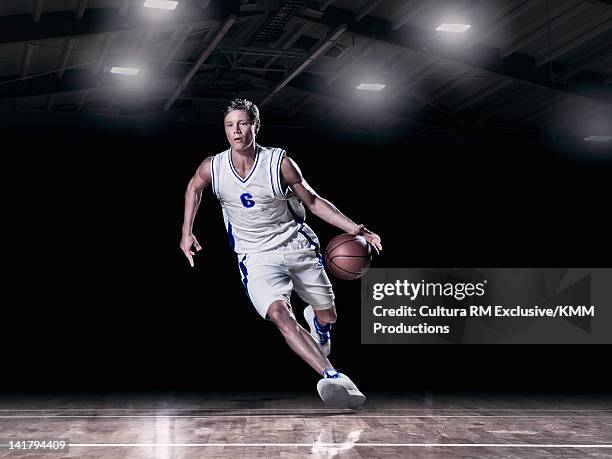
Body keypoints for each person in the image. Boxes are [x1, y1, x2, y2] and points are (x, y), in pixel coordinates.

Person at [180, 98, 382, 408]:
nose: (236, 131)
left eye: (243, 124)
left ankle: (320, 323)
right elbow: (194, 187)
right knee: (279, 314)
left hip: (296, 246)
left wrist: (356, 228)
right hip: (255, 256)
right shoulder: (214, 166)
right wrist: (186, 232)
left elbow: (313, 203)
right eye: (230, 125)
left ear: (255, 126)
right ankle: (334, 378)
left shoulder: (279, 163)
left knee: (329, 313)